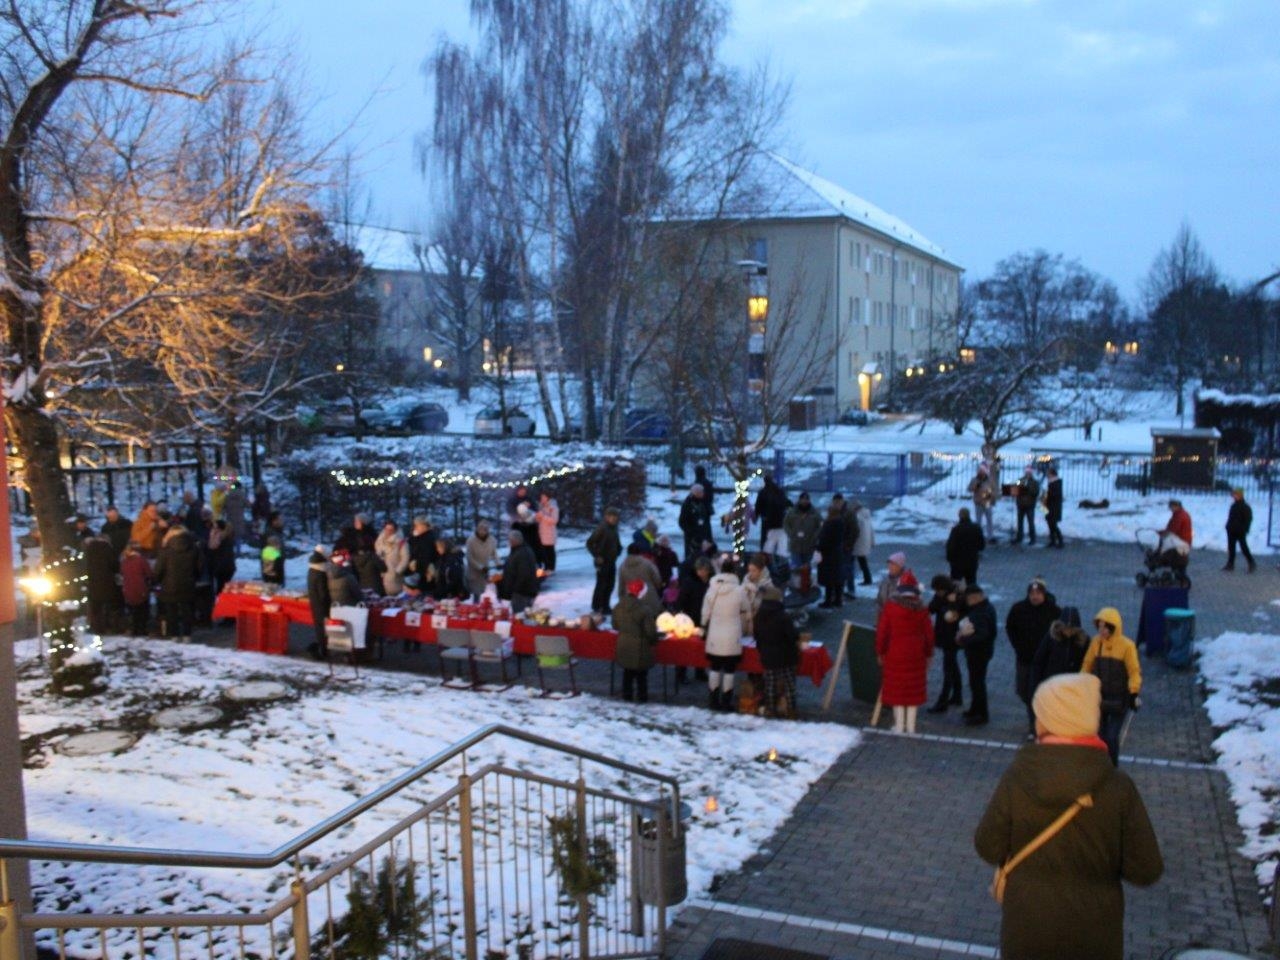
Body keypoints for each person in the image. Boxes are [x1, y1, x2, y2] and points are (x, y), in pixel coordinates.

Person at [974, 673, 1164, 960]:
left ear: (1048, 721)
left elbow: (988, 846)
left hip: (1028, 929)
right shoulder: (1118, 787)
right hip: (1095, 935)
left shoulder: (1018, 777)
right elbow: (1146, 869)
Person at [875, 570, 935, 734]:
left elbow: (882, 633)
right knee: (913, 691)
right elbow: (929, 634)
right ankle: (911, 726)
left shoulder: (891, 608)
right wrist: (929, 653)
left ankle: (899, 726)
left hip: (895, 653)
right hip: (916, 654)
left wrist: (880, 651)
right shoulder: (922, 609)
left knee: (897, 690)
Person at [1081, 607, 1142, 765]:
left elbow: (1134, 671)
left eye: (1104, 627)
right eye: (1099, 626)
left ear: (1112, 627)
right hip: (1099, 698)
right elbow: (1087, 665)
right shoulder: (1096, 643)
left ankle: (1112, 766)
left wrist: (1133, 692)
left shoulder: (1127, 646)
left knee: (1112, 736)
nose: (1101, 630)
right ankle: (1103, 765)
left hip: (1119, 699)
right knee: (1100, 736)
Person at [1005, 578, 1061, 737]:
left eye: (1038, 593)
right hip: (1024, 659)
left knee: (1037, 693)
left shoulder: (1054, 611)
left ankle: (1035, 725)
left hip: (1044, 663)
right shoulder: (1018, 609)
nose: (1035, 596)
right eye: (1032, 593)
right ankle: (1037, 716)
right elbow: (1010, 628)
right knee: (1023, 691)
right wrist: (1018, 646)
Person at [701, 557, 750, 711]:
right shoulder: (739, 590)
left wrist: (703, 626)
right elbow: (746, 610)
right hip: (732, 634)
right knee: (729, 669)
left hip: (715, 633)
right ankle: (726, 701)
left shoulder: (712, 588)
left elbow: (705, 612)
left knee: (714, 667)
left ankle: (713, 699)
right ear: (735, 572)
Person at [753, 584, 800, 718]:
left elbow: (756, 635)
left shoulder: (759, 616)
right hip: (786, 655)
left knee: (770, 683)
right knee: (789, 683)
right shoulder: (783, 616)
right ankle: (791, 711)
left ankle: (770, 709)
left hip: (768, 655)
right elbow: (792, 635)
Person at [613, 579, 661, 703]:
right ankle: (642, 697)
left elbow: (615, 625)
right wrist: (654, 640)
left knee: (627, 673)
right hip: (640, 648)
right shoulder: (644, 610)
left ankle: (627, 696)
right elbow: (650, 632)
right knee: (641, 676)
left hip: (623, 645)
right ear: (641, 593)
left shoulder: (618, 606)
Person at [958, 582, 997, 726]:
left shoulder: (980, 613)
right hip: (981, 652)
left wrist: (963, 639)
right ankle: (975, 709)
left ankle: (981, 714)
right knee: (975, 682)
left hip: (979, 653)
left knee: (977, 683)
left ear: (974, 598)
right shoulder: (985, 607)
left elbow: (982, 634)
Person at [926, 575, 964, 714]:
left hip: (953, 637)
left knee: (948, 668)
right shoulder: (941, 596)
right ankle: (957, 695)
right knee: (952, 665)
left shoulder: (958, 597)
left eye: (939, 591)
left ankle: (943, 702)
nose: (937, 593)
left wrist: (951, 603)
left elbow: (952, 616)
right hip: (945, 635)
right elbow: (931, 608)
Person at [155, 524, 199, 642]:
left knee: (171, 611)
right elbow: (200, 567)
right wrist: (194, 577)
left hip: (169, 584)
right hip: (188, 583)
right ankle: (187, 635)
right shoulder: (194, 548)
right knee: (187, 610)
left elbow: (159, 569)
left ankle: (174, 634)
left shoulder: (166, 550)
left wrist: (157, 580)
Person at [1030, 606, 1089, 692]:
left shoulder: (1084, 642)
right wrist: (1034, 688)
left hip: (1072, 688)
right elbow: (1038, 662)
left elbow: (1088, 664)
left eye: (1072, 628)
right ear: (1060, 626)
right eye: (1066, 628)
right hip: (1051, 686)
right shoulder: (1051, 638)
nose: (1068, 631)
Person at [586, 507, 623, 615]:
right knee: (601, 584)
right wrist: (597, 555)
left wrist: (618, 549)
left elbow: (616, 542)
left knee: (610, 584)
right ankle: (597, 606)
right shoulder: (602, 528)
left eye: (616, 517)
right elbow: (589, 543)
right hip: (602, 561)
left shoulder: (614, 528)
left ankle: (605, 605)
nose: (614, 519)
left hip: (611, 560)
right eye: (612, 516)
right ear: (607, 517)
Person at [82, 534, 119, 636]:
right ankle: (108, 626)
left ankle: (96, 627)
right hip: (107, 581)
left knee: (95, 607)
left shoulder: (88, 549)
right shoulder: (108, 548)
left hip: (92, 582)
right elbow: (115, 565)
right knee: (108, 605)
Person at [496, 529, 539, 614]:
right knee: (522, 616)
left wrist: (515, 589)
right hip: (521, 592)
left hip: (522, 593)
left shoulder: (522, 553)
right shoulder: (519, 550)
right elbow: (514, 566)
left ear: (515, 540)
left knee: (519, 617)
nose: (509, 542)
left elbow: (524, 574)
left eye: (510, 540)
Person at [815, 502, 847, 609]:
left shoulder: (829, 523)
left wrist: (818, 547)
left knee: (829, 579)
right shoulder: (841, 522)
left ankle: (828, 601)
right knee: (837, 578)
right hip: (837, 554)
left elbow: (824, 539)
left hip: (828, 555)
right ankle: (838, 599)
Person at [945, 507, 985, 587]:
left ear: (959, 516)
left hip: (957, 563)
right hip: (972, 561)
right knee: (971, 583)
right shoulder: (976, 528)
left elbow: (951, 546)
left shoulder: (956, 529)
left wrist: (950, 558)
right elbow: (981, 546)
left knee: (955, 584)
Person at [119, 541, 152, 637]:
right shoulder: (141, 560)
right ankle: (142, 630)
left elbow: (122, 573)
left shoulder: (124, 561)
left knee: (132, 611)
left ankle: (133, 629)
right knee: (142, 611)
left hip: (128, 589)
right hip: (141, 589)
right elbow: (149, 574)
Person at [782, 492, 820, 574]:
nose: (804, 501)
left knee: (806, 570)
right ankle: (796, 586)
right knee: (796, 569)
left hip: (809, 546)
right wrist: (790, 533)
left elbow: (820, 526)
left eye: (806, 500)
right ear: (799, 500)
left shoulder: (815, 513)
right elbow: (785, 523)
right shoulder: (792, 512)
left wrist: (815, 536)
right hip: (795, 545)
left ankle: (806, 585)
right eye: (803, 499)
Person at [754, 474, 791, 555]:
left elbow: (758, 506)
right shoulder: (779, 491)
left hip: (767, 521)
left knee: (765, 541)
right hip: (779, 521)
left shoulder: (763, 492)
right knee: (778, 541)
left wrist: (756, 517)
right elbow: (786, 502)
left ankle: (765, 557)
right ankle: (777, 557)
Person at [831, 492, 859, 598]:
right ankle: (838, 590)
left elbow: (855, 530)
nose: (836, 504)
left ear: (842, 501)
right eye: (835, 502)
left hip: (845, 547)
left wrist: (848, 544)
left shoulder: (849, 513)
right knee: (836, 569)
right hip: (836, 546)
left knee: (847, 569)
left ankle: (851, 589)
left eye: (838, 502)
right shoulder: (833, 512)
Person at [306, 547, 331, 660]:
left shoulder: (312, 569)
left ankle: (321, 648)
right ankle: (322, 649)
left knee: (319, 626)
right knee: (322, 627)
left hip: (314, 601)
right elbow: (323, 593)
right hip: (321, 604)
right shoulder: (321, 573)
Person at [465, 520, 499, 602]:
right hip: (474, 571)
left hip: (485, 570)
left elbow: (494, 553)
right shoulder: (471, 541)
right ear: (477, 529)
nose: (483, 531)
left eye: (485, 529)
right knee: (476, 593)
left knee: (486, 592)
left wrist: (498, 563)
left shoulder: (492, 540)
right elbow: (469, 557)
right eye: (481, 529)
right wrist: (480, 567)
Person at [678, 484, 714, 560]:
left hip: (705, 535)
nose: (703, 493)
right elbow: (682, 521)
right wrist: (691, 532)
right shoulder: (688, 504)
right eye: (701, 492)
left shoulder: (704, 501)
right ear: (696, 493)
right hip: (693, 539)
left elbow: (709, 514)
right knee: (693, 558)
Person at [1224, 487, 1255, 572]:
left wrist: (1245, 529)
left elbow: (1248, 519)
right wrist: (1228, 526)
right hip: (1231, 530)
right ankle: (1230, 564)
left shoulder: (1245, 507)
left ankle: (1251, 562)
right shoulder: (1233, 506)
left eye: (1235, 495)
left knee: (1244, 547)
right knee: (1231, 547)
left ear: (1240, 495)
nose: (1234, 496)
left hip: (1240, 531)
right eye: (1234, 495)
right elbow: (1230, 518)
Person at [375, 520, 410, 596]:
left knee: (394, 597)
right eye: (387, 529)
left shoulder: (401, 542)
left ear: (395, 530)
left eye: (391, 530)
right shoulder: (379, 541)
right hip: (380, 573)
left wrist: (397, 571)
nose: (388, 532)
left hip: (393, 574)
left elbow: (405, 558)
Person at [1157, 498, 1193, 565]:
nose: (1170, 509)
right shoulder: (1183, 513)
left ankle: (1160, 559)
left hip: (1182, 540)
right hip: (1185, 539)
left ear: (1176, 506)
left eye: (1171, 507)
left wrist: (1161, 533)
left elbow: (1173, 529)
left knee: (1164, 541)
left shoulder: (1179, 516)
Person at [875, 552, 909, 622]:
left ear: (900, 566)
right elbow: (879, 601)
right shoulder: (885, 581)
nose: (889, 566)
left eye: (893, 564)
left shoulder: (906, 582)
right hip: (884, 620)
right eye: (889, 564)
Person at [968, 462, 997, 541]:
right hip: (978, 502)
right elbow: (969, 489)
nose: (981, 471)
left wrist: (992, 497)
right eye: (980, 470)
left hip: (987, 502)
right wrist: (975, 487)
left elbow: (994, 490)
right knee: (978, 521)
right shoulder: (974, 479)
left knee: (989, 520)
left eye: (983, 470)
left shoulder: (990, 480)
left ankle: (990, 536)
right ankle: (978, 536)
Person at [1013, 465, 1040, 545]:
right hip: (1020, 504)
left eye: (1029, 472)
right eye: (1026, 472)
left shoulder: (1035, 482)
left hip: (1030, 505)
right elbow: (1015, 489)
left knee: (1031, 522)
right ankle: (1019, 537)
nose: (1028, 473)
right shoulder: (1020, 480)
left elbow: (1036, 492)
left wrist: (1028, 488)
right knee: (1019, 522)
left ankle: (1032, 538)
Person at [742, 552, 774, 617]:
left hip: (760, 620)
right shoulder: (746, 581)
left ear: (761, 571)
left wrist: (756, 592)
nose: (751, 573)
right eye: (749, 570)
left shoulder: (768, 585)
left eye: (754, 570)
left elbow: (768, 606)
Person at [851, 499, 874, 586]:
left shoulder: (857, 516)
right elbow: (871, 530)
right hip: (864, 543)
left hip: (858, 543)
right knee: (863, 562)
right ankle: (868, 579)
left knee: (851, 562)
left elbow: (854, 531)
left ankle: (850, 579)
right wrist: (872, 541)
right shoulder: (866, 515)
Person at [407, 516, 437, 581]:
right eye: (415, 525)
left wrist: (417, 566)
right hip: (415, 569)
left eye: (417, 525)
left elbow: (426, 556)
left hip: (424, 571)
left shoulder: (428, 538)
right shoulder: (414, 538)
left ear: (424, 526)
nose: (415, 527)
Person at [535, 491, 560, 572]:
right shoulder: (541, 507)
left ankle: (551, 567)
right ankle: (546, 566)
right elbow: (539, 519)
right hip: (542, 533)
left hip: (549, 533)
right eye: (541, 497)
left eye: (543, 497)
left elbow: (554, 520)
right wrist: (538, 517)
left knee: (550, 550)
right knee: (544, 551)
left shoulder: (553, 507)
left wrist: (543, 516)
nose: (542, 499)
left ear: (547, 498)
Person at [1042, 465, 1064, 548]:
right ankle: (1053, 540)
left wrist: (1047, 495)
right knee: (1049, 524)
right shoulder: (1051, 482)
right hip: (1048, 506)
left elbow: (1055, 495)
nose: (1047, 474)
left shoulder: (1056, 483)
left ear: (1052, 474)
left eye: (1048, 473)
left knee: (1053, 524)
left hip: (1054, 508)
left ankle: (1060, 540)